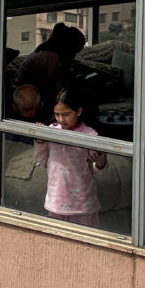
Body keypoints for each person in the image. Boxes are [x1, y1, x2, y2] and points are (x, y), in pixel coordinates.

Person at [34, 85, 107, 227]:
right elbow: (41, 160)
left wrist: (101, 161)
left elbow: (99, 170)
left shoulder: (90, 135)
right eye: (57, 114)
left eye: (66, 114)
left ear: (78, 111)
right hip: (55, 201)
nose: (61, 119)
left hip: (82, 203)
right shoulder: (51, 131)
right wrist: (40, 139)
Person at [12, 23, 86, 123]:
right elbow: (55, 89)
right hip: (25, 99)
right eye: (75, 51)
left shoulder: (47, 53)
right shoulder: (50, 58)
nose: (74, 55)